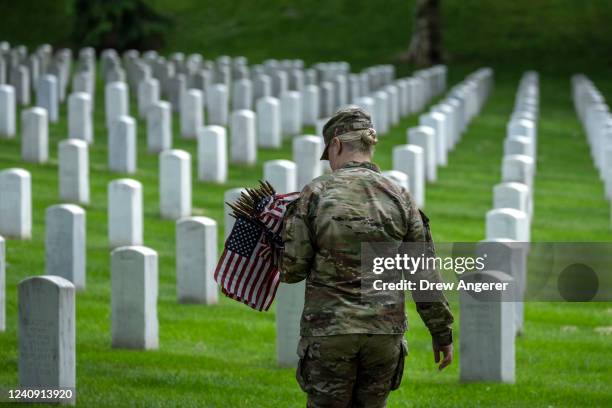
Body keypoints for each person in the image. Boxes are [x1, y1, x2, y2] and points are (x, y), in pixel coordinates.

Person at [280, 106, 454, 408]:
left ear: (335, 145)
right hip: (384, 333)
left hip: (331, 329)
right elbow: (423, 274)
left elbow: (292, 269)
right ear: (369, 144)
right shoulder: (400, 196)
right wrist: (441, 333)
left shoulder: (315, 194)